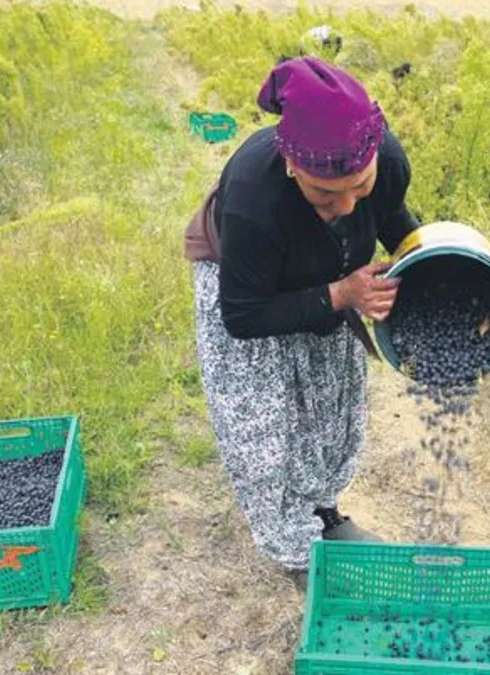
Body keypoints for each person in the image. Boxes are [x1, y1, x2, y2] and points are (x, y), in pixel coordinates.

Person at [183, 56, 420, 592]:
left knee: (327, 406)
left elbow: (393, 219)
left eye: (358, 185)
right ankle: (294, 544)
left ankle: (323, 512)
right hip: (247, 287)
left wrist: (435, 269)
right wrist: (340, 293)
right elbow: (242, 316)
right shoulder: (253, 196)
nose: (344, 205)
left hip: (327, 271)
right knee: (264, 429)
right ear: (292, 167)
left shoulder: (386, 159)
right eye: (323, 194)